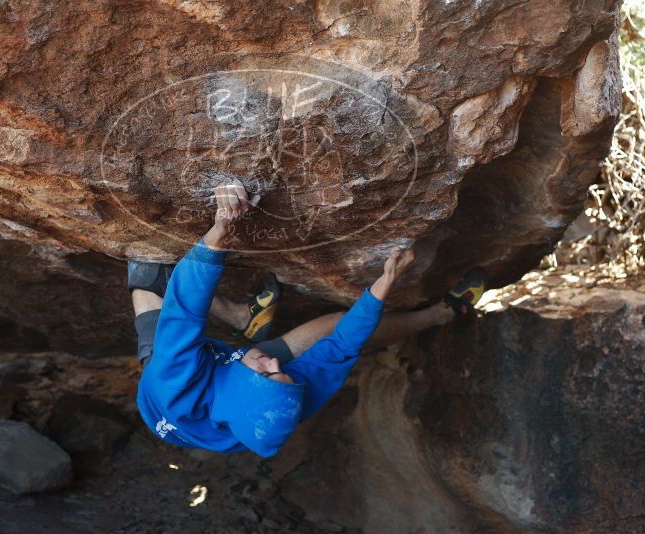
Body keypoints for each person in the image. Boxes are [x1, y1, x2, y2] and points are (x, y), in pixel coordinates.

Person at [129, 180, 485, 457]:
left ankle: (243, 319)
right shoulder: (286, 398)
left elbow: (185, 309)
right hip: (233, 390)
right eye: (279, 372)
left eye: (267, 371)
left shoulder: (173, 378)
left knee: (147, 272)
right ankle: (440, 314)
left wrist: (219, 234)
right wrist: (385, 282)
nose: (273, 362)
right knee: (334, 324)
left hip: (165, 391)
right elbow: (343, 344)